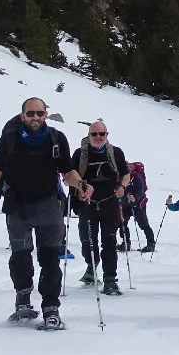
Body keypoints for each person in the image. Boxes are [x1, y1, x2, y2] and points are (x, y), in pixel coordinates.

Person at [0, 98, 91, 330]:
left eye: (39, 113)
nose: (35, 117)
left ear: (46, 114)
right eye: (30, 113)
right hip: (17, 205)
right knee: (20, 257)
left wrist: (81, 185)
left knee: (50, 259)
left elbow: (67, 171)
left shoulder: (57, 138)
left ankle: (51, 308)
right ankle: (23, 301)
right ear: (22, 115)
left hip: (48, 204)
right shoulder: (9, 139)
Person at [70, 121, 130, 295]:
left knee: (109, 242)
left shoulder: (115, 153)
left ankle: (110, 279)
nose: (98, 137)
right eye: (94, 134)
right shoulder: (79, 154)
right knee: (87, 241)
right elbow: (70, 175)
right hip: (86, 204)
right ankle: (91, 266)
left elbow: (126, 173)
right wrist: (75, 195)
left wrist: (122, 187)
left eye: (101, 134)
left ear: (107, 134)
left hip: (109, 203)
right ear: (89, 135)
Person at [120, 161, 155, 253]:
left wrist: (134, 198)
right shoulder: (120, 177)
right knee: (122, 223)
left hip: (138, 204)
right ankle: (126, 243)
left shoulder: (136, 176)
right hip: (125, 204)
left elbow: (141, 189)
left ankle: (150, 244)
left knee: (143, 224)